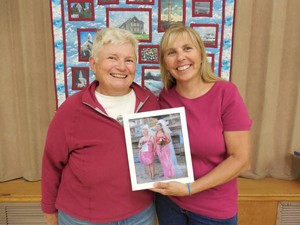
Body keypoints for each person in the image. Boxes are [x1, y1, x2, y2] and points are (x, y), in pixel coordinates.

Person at [41, 27, 160, 225]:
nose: (121, 67)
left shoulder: (150, 103)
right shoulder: (71, 110)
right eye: (112, 58)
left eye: (129, 60)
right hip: (83, 218)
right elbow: (51, 164)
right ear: (94, 64)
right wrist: (49, 211)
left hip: (140, 214)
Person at [151, 25, 252, 224]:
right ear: (165, 62)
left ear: (200, 53)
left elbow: (241, 160)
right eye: (172, 52)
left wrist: (190, 188)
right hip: (169, 202)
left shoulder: (226, 94)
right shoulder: (165, 97)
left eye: (187, 48)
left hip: (213, 209)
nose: (180, 57)